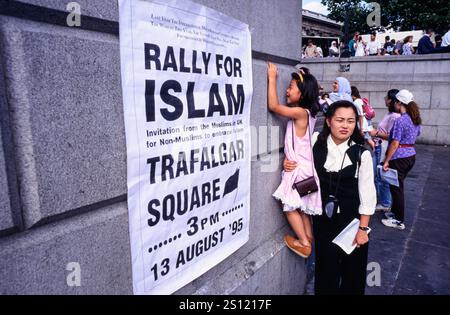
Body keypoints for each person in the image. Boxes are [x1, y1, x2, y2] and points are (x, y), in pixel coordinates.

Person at [284, 101, 376, 294]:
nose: (345, 125)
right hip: (323, 219)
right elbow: (299, 159)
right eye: (340, 120)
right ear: (328, 121)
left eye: (351, 121)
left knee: (353, 273)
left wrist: (362, 229)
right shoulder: (316, 140)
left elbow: (368, 196)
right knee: (325, 271)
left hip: (351, 222)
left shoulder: (362, 153)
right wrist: (288, 163)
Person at [267, 62, 322, 258]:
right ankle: (308, 236)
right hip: (306, 168)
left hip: (298, 169)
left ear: (303, 93)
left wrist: (272, 78)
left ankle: (304, 243)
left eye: (291, 87)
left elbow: (273, 106)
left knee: (289, 207)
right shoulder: (309, 114)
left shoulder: (300, 113)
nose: (287, 91)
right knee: (304, 208)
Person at [382, 90, 422, 230]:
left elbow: (394, 143)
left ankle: (399, 220)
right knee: (398, 186)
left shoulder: (400, 120)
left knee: (397, 188)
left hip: (399, 157)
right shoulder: (415, 118)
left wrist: (387, 160)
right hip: (411, 155)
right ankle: (395, 213)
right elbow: (417, 134)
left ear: (399, 103)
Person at [369, 90, 401, 212]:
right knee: (378, 175)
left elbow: (393, 136)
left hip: (383, 147)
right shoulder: (390, 114)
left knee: (382, 176)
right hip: (379, 145)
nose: (384, 99)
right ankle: (382, 200)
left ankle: (385, 202)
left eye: (386, 97)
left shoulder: (394, 116)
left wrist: (376, 133)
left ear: (391, 100)